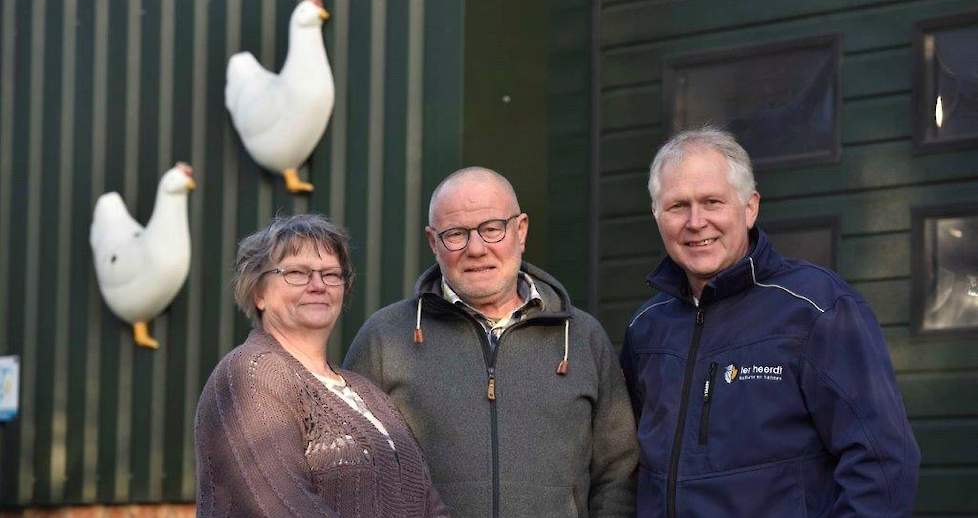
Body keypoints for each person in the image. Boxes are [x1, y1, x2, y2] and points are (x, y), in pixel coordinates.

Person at [620, 128, 920, 517]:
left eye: (713, 201)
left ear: (750, 208)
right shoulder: (646, 327)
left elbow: (882, 462)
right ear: (657, 216)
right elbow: (626, 468)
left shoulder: (816, 308)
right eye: (678, 206)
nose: (696, 222)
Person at [344, 167, 638, 517]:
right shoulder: (385, 338)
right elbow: (353, 473)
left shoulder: (583, 338)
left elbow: (618, 475)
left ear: (521, 230)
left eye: (492, 229)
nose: (477, 249)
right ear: (433, 242)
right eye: (455, 234)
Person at [195, 214, 448, 518]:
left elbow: (427, 501)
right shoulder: (250, 374)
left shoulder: (368, 393)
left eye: (330, 274)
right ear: (258, 292)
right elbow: (282, 506)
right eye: (297, 273)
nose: (318, 285)